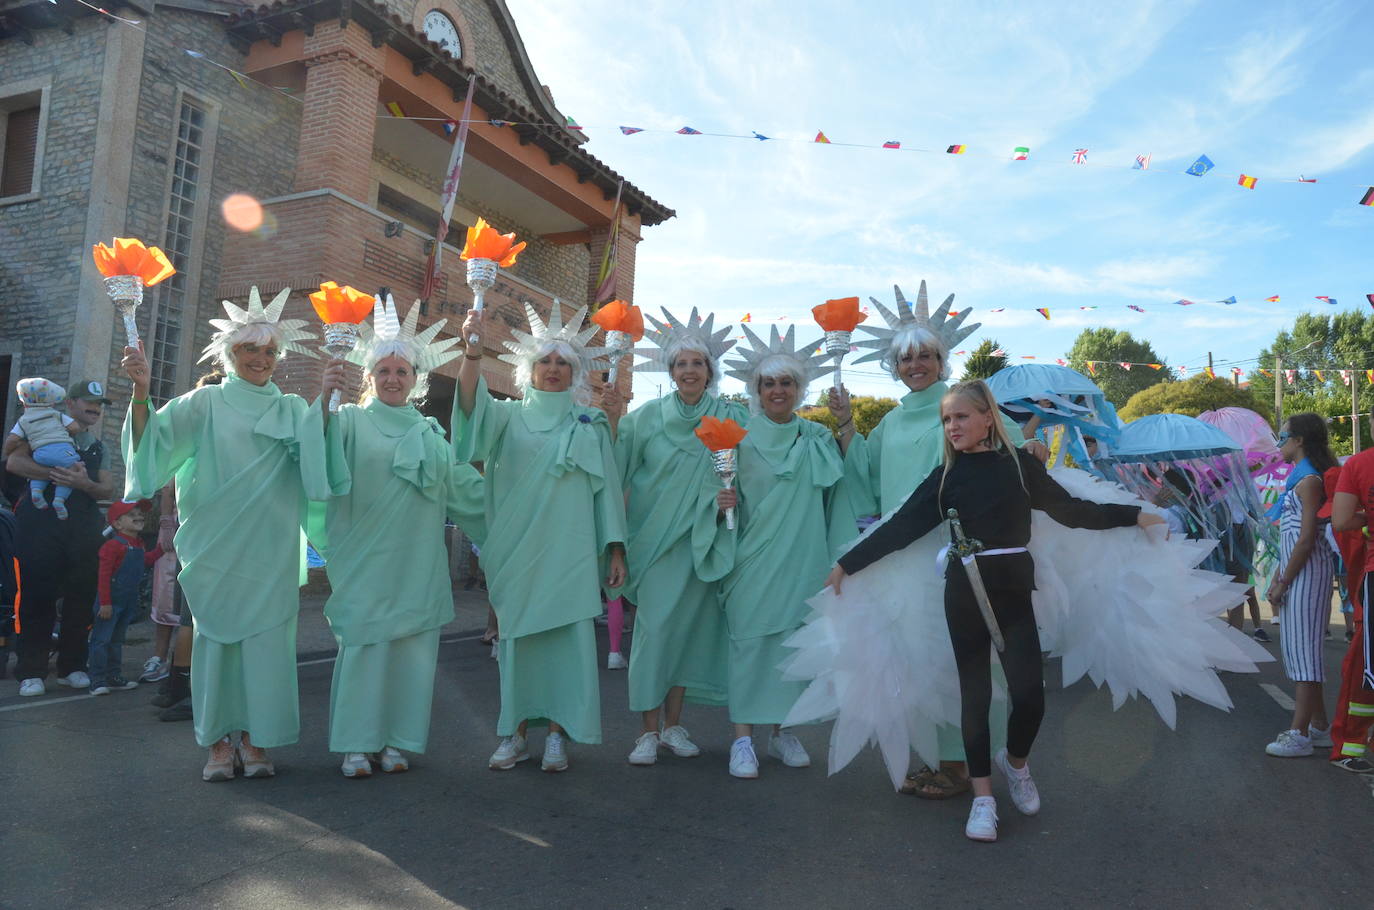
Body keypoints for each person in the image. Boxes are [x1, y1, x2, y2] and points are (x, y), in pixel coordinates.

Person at [824, 380, 1165, 842]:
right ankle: (983, 798)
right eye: (947, 420)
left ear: (988, 417)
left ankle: (1016, 763)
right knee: (976, 696)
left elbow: (1069, 510)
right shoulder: (946, 476)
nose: (952, 426)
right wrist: (848, 563)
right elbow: (902, 527)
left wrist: (1133, 514)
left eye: (961, 416)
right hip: (963, 592)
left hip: (1013, 591)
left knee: (1029, 695)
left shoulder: (1020, 467)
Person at [827, 282, 1043, 799]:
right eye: (906, 357)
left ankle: (963, 766)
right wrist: (846, 424)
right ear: (893, 365)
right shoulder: (891, 422)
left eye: (926, 354)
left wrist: (1033, 443)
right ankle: (944, 760)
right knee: (922, 661)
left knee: (963, 666)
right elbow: (865, 476)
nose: (916, 364)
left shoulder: (963, 408)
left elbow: (1010, 449)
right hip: (906, 559)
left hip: (964, 560)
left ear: (942, 360)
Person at [121, 286, 333, 781]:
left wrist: (328, 402)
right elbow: (153, 450)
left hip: (271, 548)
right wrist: (139, 391)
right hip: (214, 546)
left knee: (265, 646)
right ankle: (218, 743)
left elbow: (320, 474)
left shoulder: (293, 410)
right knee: (214, 644)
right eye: (250, 349)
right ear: (230, 353)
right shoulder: (204, 402)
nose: (261, 358)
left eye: (269, 351)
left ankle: (257, 741)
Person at [313, 295, 486, 778]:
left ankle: (395, 741)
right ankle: (354, 743)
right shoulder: (347, 421)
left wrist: (519, 504)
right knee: (366, 649)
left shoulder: (431, 434)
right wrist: (325, 403)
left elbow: (467, 492)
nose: (393, 378)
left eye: (402, 372)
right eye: (384, 371)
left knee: (411, 653)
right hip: (364, 560)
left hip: (417, 563)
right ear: (368, 377)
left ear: (416, 380)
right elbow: (316, 460)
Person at [456, 301, 627, 773]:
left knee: (565, 645)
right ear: (528, 369)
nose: (553, 369)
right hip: (517, 553)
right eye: (545, 361)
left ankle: (556, 735)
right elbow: (469, 408)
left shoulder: (587, 424)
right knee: (517, 646)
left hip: (569, 552)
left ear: (574, 373)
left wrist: (614, 546)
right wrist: (472, 353)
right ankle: (513, 733)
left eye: (562, 363)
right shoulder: (507, 418)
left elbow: (606, 489)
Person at [602, 306, 744, 766]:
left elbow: (744, 474)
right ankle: (646, 732)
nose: (689, 370)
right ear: (670, 371)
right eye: (681, 363)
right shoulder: (643, 420)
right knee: (654, 634)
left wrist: (729, 499)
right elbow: (613, 474)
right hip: (656, 545)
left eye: (697, 363)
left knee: (687, 635)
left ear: (710, 371)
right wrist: (616, 544)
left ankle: (674, 726)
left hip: (701, 545)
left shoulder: (728, 418)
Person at [714, 325, 846, 778]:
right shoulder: (734, 438)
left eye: (786, 383)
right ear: (755, 389)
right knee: (750, 645)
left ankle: (783, 731)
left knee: (792, 648)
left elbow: (842, 499)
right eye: (768, 383)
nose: (777, 390)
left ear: (798, 389)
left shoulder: (818, 438)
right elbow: (713, 496)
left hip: (802, 560)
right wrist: (718, 506)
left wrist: (846, 423)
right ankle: (742, 740)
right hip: (750, 560)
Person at [6, 378, 116, 696]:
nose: (94, 408)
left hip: (82, 529)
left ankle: (72, 668)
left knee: (81, 600)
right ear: (69, 404)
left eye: (99, 404)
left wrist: (83, 485)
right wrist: (59, 475)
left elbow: (107, 488)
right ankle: (31, 672)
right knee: (36, 597)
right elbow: (14, 462)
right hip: (39, 525)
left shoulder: (99, 446)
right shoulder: (42, 428)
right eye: (87, 402)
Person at [1263, 413, 1338, 758]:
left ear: (1300, 441)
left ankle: (1299, 733)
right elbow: (1292, 538)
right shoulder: (1300, 479)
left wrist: (1285, 581)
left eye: (1282, 437)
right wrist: (1278, 575)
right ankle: (1320, 727)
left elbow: (1307, 539)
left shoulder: (1309, 480)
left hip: (1309, 574)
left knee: (1305, 656)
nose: (1279, 444)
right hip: (1298, 572)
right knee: (1299, 654)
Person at [1326, 430, 1374, 773]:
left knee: (1364, 665)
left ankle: (1349, 748)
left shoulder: (1358, 463)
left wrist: (1369, 524)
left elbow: (1341, 520)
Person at [88, 499, 164, 695]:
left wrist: (161, 550)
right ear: (117, 523)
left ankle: (114, 676)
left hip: (128, 600)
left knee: (117, 640)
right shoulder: (112, 546)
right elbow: (103, 577)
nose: (139, 516)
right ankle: (96, 680)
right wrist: (105, 603)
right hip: (111, 601)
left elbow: (145, 561)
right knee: (101, 640)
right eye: (132, 514)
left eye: (140, 513)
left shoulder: (139, 544)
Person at [8, 378, 81, 518]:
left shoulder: (24, 420)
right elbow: (75, 427)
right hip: (61, 450)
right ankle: (59, 500)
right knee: (73, 467)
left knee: (39, 467)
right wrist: (66, 433)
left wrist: (6, 451)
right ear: (52, 401)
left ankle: (36, 491)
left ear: (24, 402)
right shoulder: (55, 414)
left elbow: (12, 439)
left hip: (40, 452)